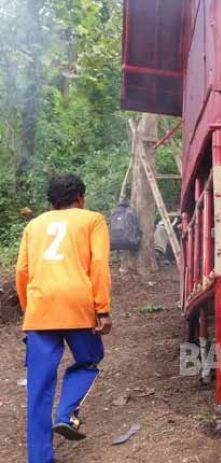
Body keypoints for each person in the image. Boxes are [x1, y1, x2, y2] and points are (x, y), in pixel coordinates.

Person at [15, 174, 112, 463]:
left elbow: (22, 270)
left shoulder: (34, 225)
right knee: (88, 360)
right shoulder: (92, 220)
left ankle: (40, 458)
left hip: (40, 309)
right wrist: (103, 309)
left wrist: (29, 308)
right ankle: (66, 414)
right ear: (80, 198)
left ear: (51, 202)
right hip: (77, 305)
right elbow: (98, 265)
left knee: (38, 387)